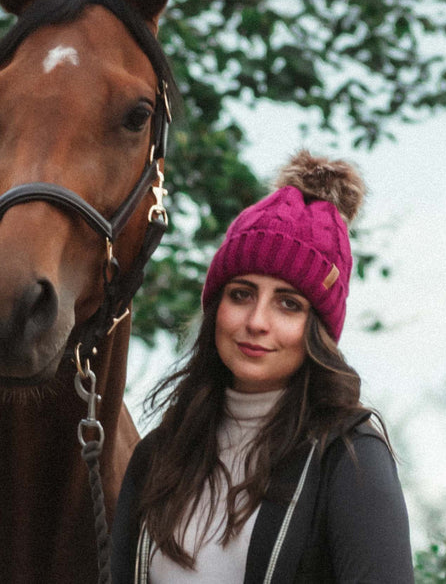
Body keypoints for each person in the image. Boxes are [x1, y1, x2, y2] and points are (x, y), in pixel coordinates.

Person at [111, 150, 414, 583]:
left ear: (318, 330)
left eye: (288, 305)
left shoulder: (348, 458)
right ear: (217, 308)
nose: (256, 322)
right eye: (241, 294)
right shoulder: (157, 458)